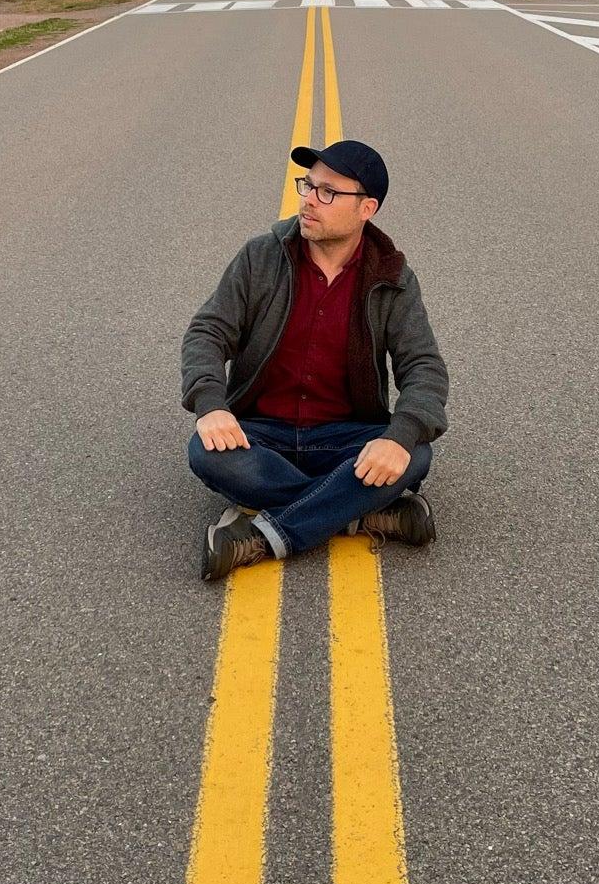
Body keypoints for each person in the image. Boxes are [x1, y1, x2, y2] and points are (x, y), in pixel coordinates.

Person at [182, 139, 449, 581]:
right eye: (308, 185)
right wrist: (210, 403)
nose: (308, 199)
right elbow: (207, 332)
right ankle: (355, 511)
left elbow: (424, 368)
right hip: (261, 433)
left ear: (367, 209)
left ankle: (266, 534)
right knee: (206, 452)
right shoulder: (262, 257)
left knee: (414, 453)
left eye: (328, 192)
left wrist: (399, 437)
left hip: (344, 434)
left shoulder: (392, 278)